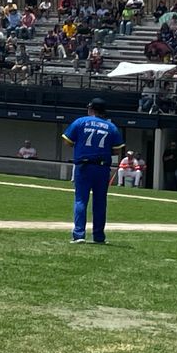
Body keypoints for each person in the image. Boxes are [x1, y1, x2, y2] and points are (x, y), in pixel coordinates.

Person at [62, 97, 124, 244]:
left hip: (83, 166)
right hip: (102, 168)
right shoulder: (111, 127)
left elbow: (67, 141)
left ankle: (79, 235)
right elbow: (117, 151)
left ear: (91, 109)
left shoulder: (81, 121)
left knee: (81, 200)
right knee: (100, 202)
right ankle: (99, 236)